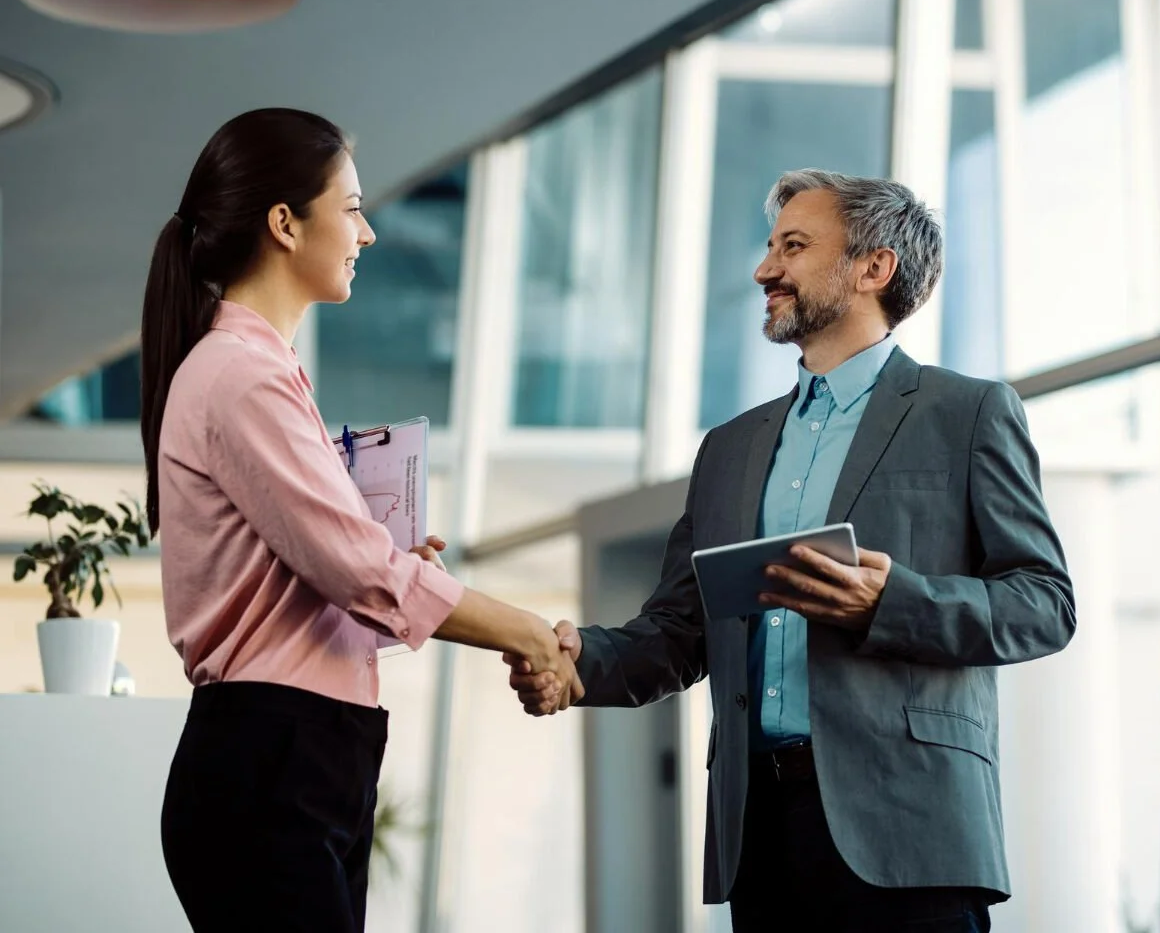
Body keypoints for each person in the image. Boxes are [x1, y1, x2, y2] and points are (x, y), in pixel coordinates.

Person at [506, 170, 1075, 932]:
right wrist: (579, 664)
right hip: (760, 832)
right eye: (771, 247)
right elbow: (681, 629)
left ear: (875, 268)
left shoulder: (967, 413)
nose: (764, 269)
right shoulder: (729, 448)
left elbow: (1044, 603)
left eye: (793, 247)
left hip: (911, 828)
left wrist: (891, 601)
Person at [141, 108, 582, 933]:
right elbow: (363, 574)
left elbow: (342, 575)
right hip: (273, 758)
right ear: (284, 224)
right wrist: (526, 633)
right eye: (349, 207)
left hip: (302, 754)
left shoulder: (259, 369)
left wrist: (390, 563)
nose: (368, 233)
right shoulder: (240, 375)